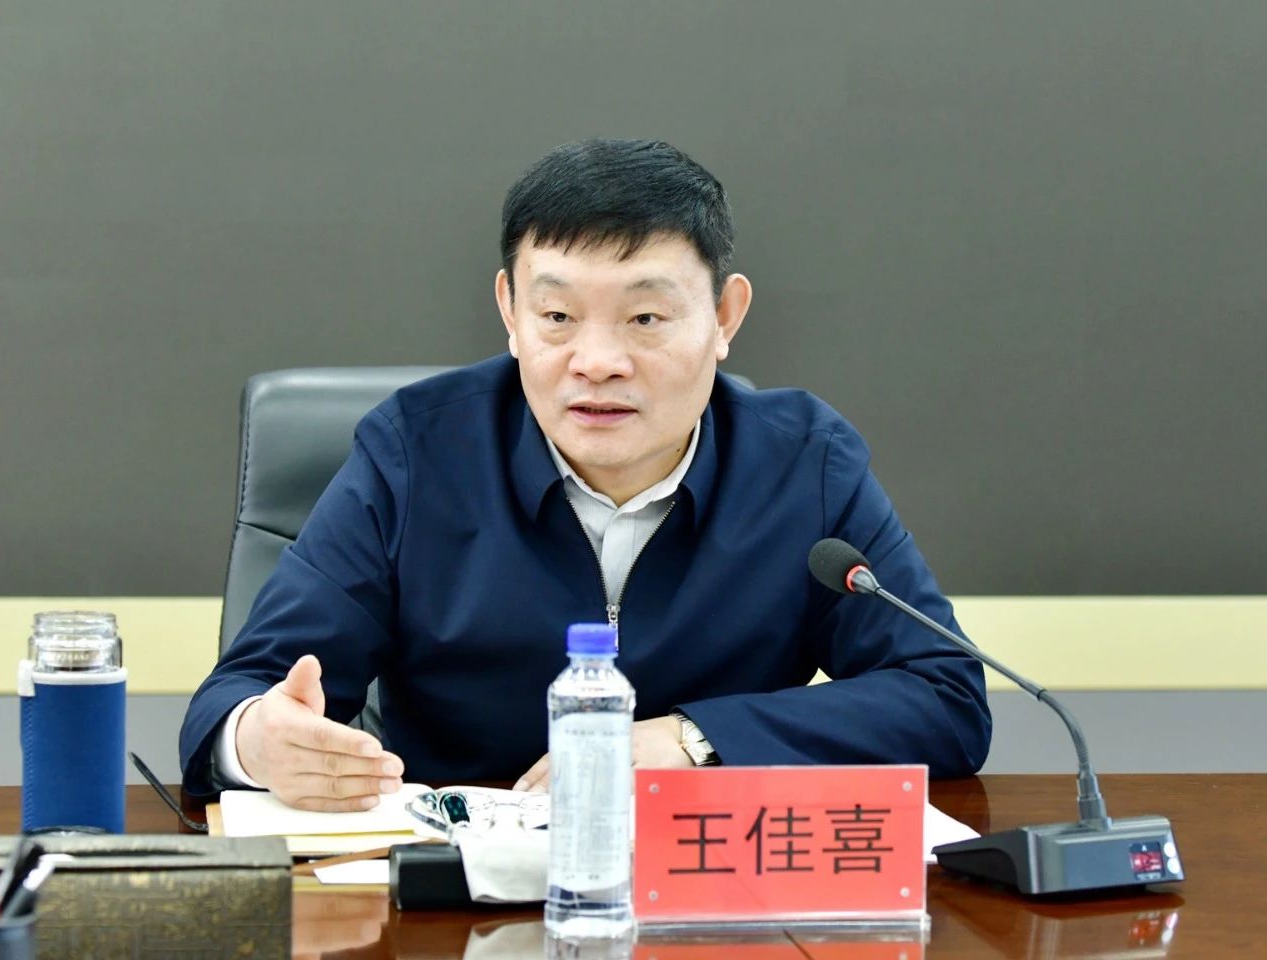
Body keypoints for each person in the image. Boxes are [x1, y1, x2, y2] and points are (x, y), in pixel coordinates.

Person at [180, 138, 991, 809]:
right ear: (510, 312)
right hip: (457, 887)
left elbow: (944, 696)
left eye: (646, 317)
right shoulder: (414, 454)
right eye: (558, 317)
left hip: (708, 885)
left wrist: (693, 739)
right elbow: (237, 697)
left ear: (725, 316)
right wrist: (258, 740)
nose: (597, 361)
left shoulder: (803, 464)